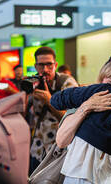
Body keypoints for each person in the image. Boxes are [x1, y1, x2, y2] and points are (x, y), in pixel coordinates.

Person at [29, 46, 78, 174]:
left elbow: (73, 120)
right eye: (41, 65)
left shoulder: (67, 83)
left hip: (60, 149)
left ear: (55, 65)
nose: (45, 70)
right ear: (35, 66)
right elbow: (23, 114)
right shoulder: (33, 82)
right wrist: (24, 94)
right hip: (37, 148)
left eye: (49, 65)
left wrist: (50, 101)